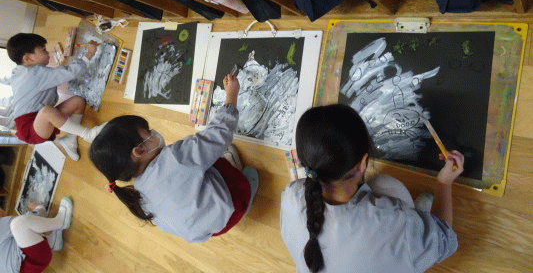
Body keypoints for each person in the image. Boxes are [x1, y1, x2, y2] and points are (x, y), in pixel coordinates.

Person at [280, 104, 464, 273]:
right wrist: (444, 183)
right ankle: (422, 223)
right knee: (386, 184)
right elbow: (447, 240)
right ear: (362, 163)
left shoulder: (291, 196)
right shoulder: (393, 222)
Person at [89, 73, 259, 242]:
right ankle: (248, 195)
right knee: (215, 158)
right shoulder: (176, 158)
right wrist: (231, 96)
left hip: (211, 229)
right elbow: (218, 134)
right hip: (232, 204)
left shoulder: (138, 196)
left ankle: (237, 206)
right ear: (139, 151)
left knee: (198, 165)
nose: (153, 132)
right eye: (148, 132)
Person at [7, 33, 106, 160]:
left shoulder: (21, 70)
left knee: (78, 101)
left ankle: (70, 140)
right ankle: (87, 134)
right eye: (43, 50)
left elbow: (57, 74)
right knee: (47, 111)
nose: (48, 53)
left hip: (38, 117)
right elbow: (70, 72)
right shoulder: (34, 74)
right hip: (29, 128)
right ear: (28, 58)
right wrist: (90, 54)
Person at [0, 197, 74, 273]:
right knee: (18, 224)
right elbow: (35, 218)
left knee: (18, 235)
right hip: (35, 261)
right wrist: (39, 208)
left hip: (29, 269)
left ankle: (52, 242)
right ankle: (61, 221)